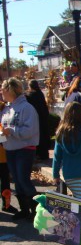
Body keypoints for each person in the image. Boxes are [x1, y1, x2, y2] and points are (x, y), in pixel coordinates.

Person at [0, 77, 39, 220]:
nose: (1, 92)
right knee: (16, 180)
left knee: (23, 179)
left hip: (25, 148)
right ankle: (24, 210)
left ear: (10, 90)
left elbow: (31, 130)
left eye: (3, 89)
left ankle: (36, 210)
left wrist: (12, 131)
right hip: (10, 148)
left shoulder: (26, 108)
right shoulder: (6, 109)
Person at [25, 79, 51, 161]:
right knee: (43, 135)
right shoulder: (40, 94)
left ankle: (38, 154)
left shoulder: (29, 96)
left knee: (38, 137)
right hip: (43, 117)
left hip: (34, 119)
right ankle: (44, 154)